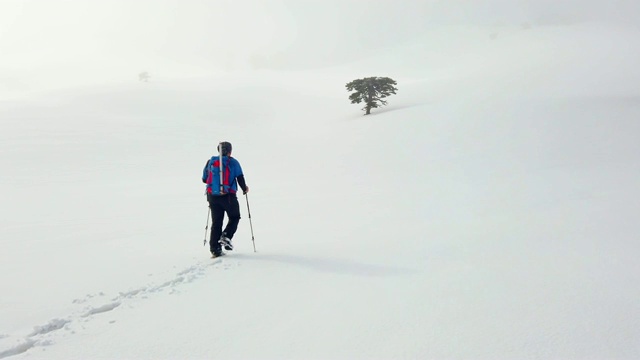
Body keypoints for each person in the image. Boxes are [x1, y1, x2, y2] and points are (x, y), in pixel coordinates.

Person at [202, 141, 249, 257]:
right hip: (228, 196)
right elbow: (240, 177)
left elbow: (204, 179)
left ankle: (215, 249)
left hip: (213, 196)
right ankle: (226, 236)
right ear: (230, 151)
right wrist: (244, 189)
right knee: (235, 217)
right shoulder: (233, 162)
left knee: (216, 222)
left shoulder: (210, 162)